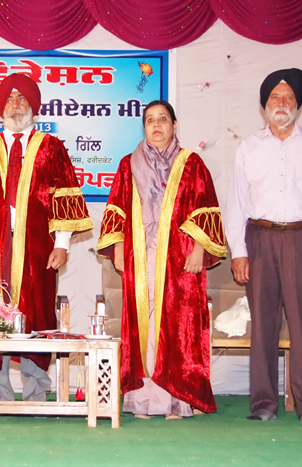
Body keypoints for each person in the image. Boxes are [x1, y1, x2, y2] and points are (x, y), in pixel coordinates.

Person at [0, 73, 93, 401]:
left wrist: (62, 244)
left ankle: (35, 395)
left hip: (38, 248)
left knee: (37, 313)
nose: (15, 104)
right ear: (1, 107)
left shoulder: (51, 147)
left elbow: (64, 197)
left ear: (33, 106)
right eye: (10, 99)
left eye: (22, 98)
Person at [225, 68, 302, 423]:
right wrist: (239, 252)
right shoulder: (249, 146)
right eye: (275, 97)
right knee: (263, 325)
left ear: (298, 104)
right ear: (265, 105)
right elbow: (237, 205)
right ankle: (264, 404)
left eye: (289, 97)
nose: (282, 103)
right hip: (260, 239)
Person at [97, 100, 226, 419]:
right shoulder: (128, 164)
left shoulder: (191, 163)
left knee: (175, 326)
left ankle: (177, 400)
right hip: (139, 254)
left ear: (174, 124)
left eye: (163, 119)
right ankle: (143, 401)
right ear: (144, 127)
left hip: (179, 258)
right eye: (150, 120)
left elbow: (205, 206)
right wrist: (118, 246)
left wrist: (199, 249)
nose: (156, 125)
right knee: (143, 324)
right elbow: (117, 207)